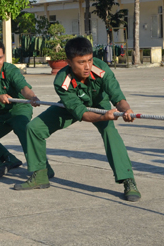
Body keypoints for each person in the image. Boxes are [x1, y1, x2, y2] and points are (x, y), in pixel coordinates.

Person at [14, 37, 141, 202]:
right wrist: (104, 116)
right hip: (72, 106)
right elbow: (82, 114)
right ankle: (40, 175)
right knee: (34, 128)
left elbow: (118, 97)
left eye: (89, 60)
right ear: (69, 62)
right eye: (81, 62)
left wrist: (126, 110)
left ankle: (128, 180)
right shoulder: (62, 81)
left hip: (99, 103)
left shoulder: (101, 68)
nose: (87, 66)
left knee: (109, 131)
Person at [0, 39, 45, 180]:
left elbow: (23, 88)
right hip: (1, 112)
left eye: (0, 58)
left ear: (3, 57)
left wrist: (32, 97)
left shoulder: (11, 70)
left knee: (22, 127)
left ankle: (42, 168)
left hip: (19, 108)